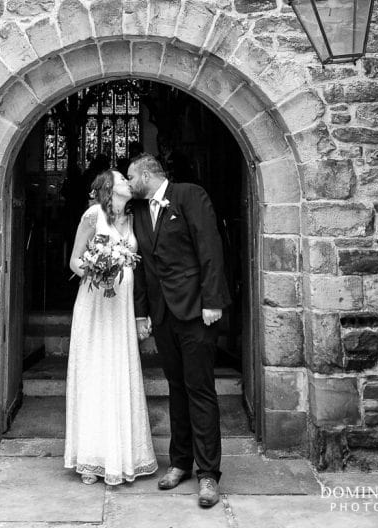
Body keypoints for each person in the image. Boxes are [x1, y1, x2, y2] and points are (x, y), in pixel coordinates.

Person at [128, 153, 230, 509]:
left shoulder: (189, 195)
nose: (128, 183)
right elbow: (140, 267)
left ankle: (208, 475)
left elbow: (210, 249)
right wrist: (142, 313)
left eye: (131, 176)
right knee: (176, 388)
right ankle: (180, 462)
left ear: (146, 174)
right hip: (162, 315)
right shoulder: (138, 211)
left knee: (200, 389)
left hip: (196, 311)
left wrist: (213, 301)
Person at [64, 169, 158, 486]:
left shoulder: (133, 219)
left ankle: (123, 454)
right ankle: (91, 458)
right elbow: (74, 260)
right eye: (121, 180)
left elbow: (137, 261)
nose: (127, 183)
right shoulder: (93, 216)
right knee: (95, 373)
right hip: (95, 307)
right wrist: (94, 270)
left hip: (122, 307)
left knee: (119, 373)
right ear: (109, 188)